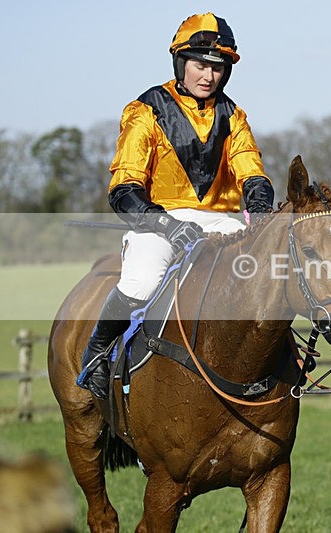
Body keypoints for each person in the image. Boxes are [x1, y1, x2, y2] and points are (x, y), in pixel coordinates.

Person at [77, 12, 275, 399]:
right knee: (142, 281)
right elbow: (124, 188)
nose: (209, 76)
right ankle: (97, 354)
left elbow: (251, 173)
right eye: (200, 65)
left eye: (217, 68)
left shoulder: (234, 117)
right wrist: (166, 224)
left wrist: (262, 213)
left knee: (266, 273)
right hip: (158, 222)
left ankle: (284, 356)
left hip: (221, 222)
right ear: (181, 62)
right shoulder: (145, 110)